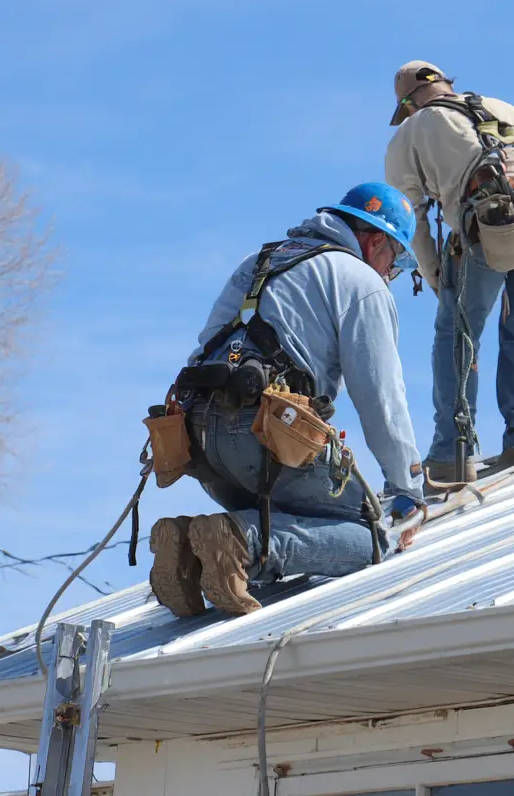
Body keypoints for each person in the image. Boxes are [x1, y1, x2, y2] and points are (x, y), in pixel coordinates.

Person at [148, 183, 425, 618]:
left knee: (280, 511)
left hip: (201, 438)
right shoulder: (361, 281)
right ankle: (242, 541)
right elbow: (381, 398)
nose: (390, 272)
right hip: (266, 436)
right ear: (375, 243)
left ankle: (186, 545)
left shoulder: (258, 261)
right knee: (368, 536)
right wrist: (407, 487)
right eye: (395, 260)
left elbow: (206, 346)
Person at [384, 61, 514, 489]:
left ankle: (453, 454)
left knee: (457, 334)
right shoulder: (506, 108)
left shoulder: (411, 131)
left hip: (489, 220)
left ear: (408, 103)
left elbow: (409, 221)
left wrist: (434, 277)